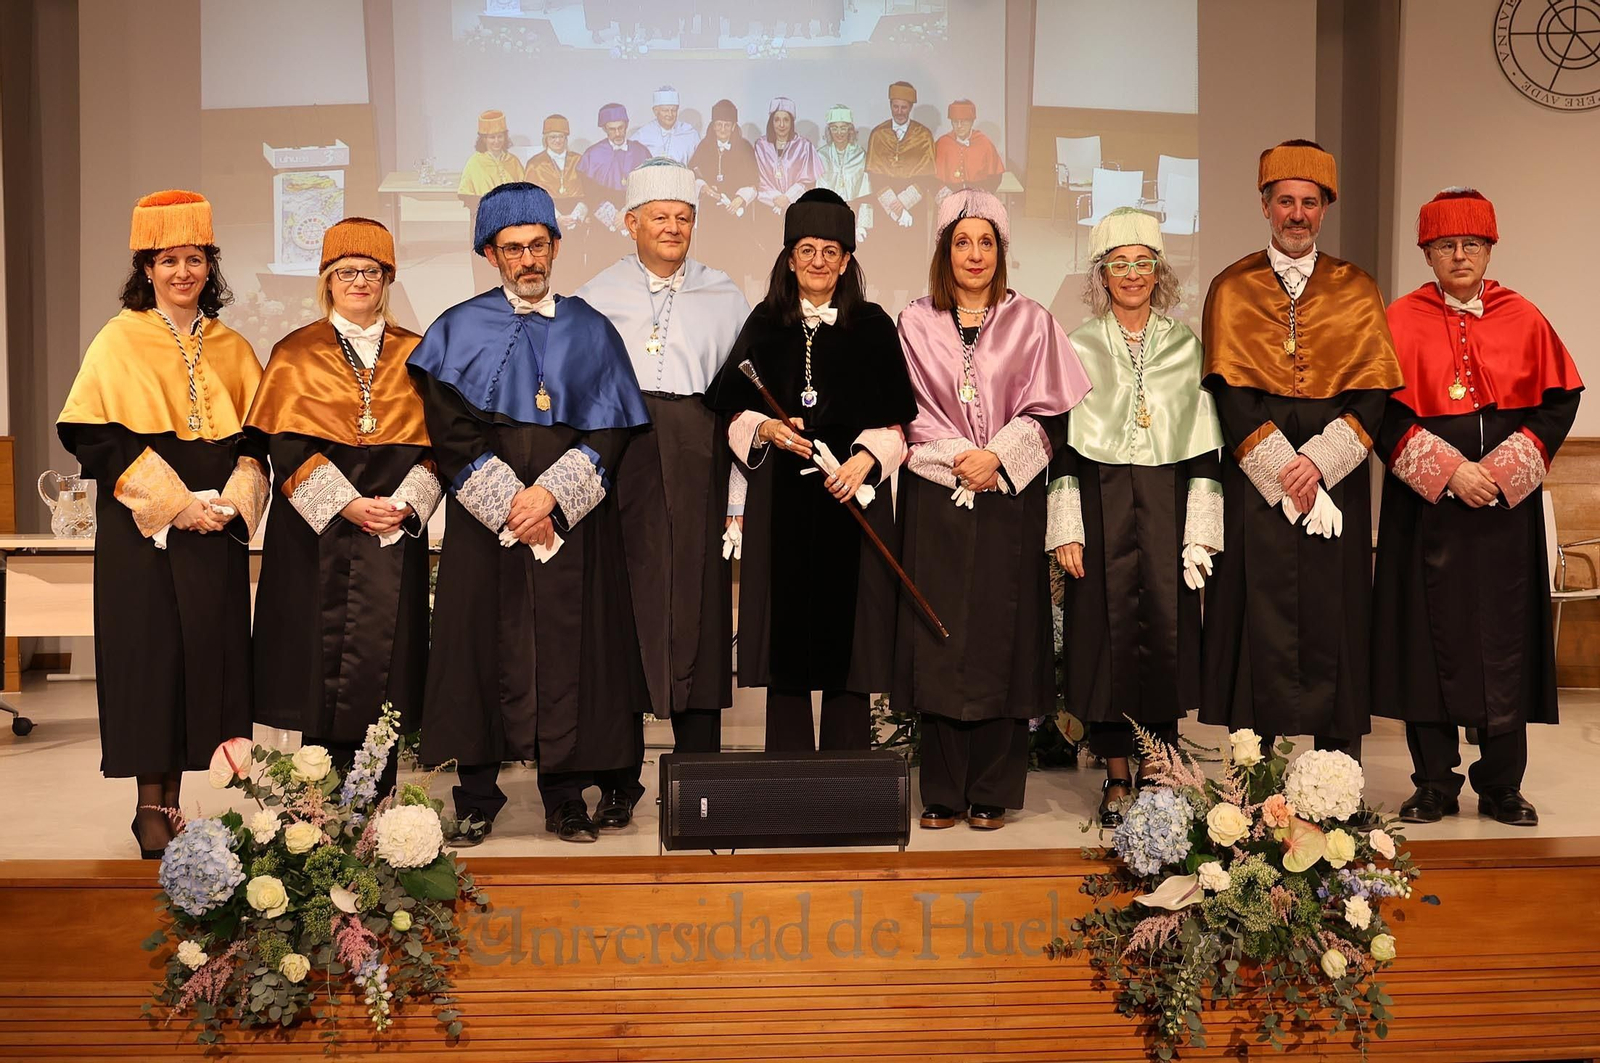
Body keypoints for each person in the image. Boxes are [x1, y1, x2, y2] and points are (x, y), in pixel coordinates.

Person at [408, 182, 651, 845]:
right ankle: (478, 796)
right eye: (512, 248)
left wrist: (553, 498)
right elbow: (451, 435)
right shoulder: (456, 329)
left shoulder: (592, 329)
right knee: (482, 650)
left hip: (571, 522)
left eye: (538, 245)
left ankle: (565, 795)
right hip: (489, 525)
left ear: (555, 246)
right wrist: (515, 506)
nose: (527, 259)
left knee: (574, 654)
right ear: (490, 254)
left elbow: (612, 432)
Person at [57, 190, 268, 857]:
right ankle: (150, 804)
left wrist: (231, 501)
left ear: (212, 264)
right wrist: (174, 502)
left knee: (205, 661)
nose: (184, 271)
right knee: (151, 661)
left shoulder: (234, 346)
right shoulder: (119, 338)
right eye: (169, 259)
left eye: (196, 258)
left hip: (214, 531)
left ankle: (178, 801)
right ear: (146, 267)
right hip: (143, 530)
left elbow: (256, 442)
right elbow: (91, 436)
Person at [1375, 188, 1583, 827]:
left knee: (1505, 643)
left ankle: (1501, 785)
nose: (1459, 256)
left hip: (1502, 510)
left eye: (1471, 245)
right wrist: (1446, 471)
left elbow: (1558, 401)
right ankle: (1434, 782)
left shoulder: (1524, 316)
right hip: (1427, 508)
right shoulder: (1399, 319)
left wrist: (1499, 472)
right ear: (1428, 254)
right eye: (1445, 247)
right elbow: (1378, 410)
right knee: (1423, 643)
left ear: (1489, 248)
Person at [1199, 140, 1402, 758]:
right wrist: (1284, 468)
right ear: (1264, 206)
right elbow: (1230, 394)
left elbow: (1371, 395)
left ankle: (1336, 781)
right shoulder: (1232, 286)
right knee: (1254, 618)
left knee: (1333, 619)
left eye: (1309, 203)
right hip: (1258, 479)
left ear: (1324, 210)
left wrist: (1319, 464)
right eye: (1284, 200)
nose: (1296, 214)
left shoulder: (1357, 287)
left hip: (1333, 484)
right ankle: (1250, 785)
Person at [894, 190, 1090, 830]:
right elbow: (906, 409)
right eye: (961, 241)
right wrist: (958, 457)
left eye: (986, 242)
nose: (973, 254)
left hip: (1008, 498)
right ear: (943, 251)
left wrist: (998, 457)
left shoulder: (1031, 321)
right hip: (938, 496)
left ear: (1000, 252)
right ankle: (943, 789)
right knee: (942, 641)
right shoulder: (914, 322)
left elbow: (1052, 411)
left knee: (1003, 639)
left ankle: (992, 790)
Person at [705, 189, 917, 752]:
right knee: (787, 651)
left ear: (847, 260)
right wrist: (766, 428)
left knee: (851, 653)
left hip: (854, 503)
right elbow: (728, 408)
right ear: (789, 258)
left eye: (830, 250)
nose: (818, 261)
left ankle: (849, 784)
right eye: (807, 250)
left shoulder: (872, 326)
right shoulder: (765, 321)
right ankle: (788, 785)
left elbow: (899, 424)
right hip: (781, 505)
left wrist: (865, 460)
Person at [575, 159, 749, 826]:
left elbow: (739, 399)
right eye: (660, 217)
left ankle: (700, 776)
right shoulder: (594, 294)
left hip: (697, 451)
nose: (673, 227)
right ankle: (619, 781)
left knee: (698, 606)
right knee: (617, 610)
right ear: (631, 223)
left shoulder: (726, 293)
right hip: (621, 452)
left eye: (684, 218)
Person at [246, 219, 441, 799]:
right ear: (327, 282)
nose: (359, 282)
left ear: (387, 280)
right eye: (345, 273)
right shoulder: (295, 351)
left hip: (392, 531)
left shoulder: (418, 352)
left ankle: (379, 804)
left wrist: (405, 504)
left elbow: (440, 445)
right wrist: (346, 505)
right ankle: (316, 805)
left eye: (371, 273)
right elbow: (283, 445)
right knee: (315, 665)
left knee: (387, 672)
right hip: (317, 535)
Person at [1050, 208, 1223, 827]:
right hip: (1098, 501)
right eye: (1118, 263)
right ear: (1102, 272)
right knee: (1103, 634)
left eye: (1141, 262)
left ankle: (1163, 768)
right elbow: (1064, 446)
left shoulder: (1185, 345)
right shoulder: (1077, 344)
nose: (1131, 274)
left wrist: (1203, 529)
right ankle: (1117, 774)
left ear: (1159, 271)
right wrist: (1065, 524)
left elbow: (1205, 445)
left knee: (1165, 634)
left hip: (1166, 501)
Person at [865, 81, 937, 301]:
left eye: (903, 107)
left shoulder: (923, 135)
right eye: (895, 106)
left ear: (910, 107)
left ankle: (913, 293)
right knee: (886, 246)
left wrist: (905, 200)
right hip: (885, 198)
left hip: (913, 200)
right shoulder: (878, 133)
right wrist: (890, 201)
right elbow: (873, 173)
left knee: (911, 249)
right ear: (890, 105)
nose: (899, 112)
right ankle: (886, 289)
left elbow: (927, 175)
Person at [688, 99, 760, 284]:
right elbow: (693, 172)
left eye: (726, 125)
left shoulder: (745, 147)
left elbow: (754, 182)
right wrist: (703, 186)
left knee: (735, 264)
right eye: (718, 125)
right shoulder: (704, 147)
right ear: (712, 126)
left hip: (735, 217)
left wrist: (740, 199)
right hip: (711, 218)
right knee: (711, 262)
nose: (722, 129)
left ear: (734, 126)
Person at [459, 110, 526, 294]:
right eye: (491, 138)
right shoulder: (475, 163)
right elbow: (467, 196)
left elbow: (522, 192)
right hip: (485, 224)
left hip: (510, 224)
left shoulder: (513, 161)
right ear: (484, 140)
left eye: (499, 137)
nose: (496, 141)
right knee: (485, 271)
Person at [578, 103, 652, 256]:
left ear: (626, 125)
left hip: (635, 220)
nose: (618, 133)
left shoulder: (641, 151)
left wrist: (627, 213)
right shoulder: (593, 154)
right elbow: (590, 193)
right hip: (603, 225)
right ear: (605, 129)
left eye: (621, 128)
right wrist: (613, 217)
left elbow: (648, 186)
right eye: (612, 129)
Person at [754, 97, 824, 216]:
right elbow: (757, 177)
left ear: (792, 122)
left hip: (797, 207)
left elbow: (809, 181)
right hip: (766, 207)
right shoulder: (761, 145)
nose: (781, 125)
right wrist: (776, 197)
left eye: (786, 120)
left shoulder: (804, 146)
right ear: (771, 122)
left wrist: (787, 197)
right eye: (777, 120)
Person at [816, 104, 874, 245]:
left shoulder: (860, 154)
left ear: (850, 130)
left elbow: (866, 193)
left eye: (843, 127)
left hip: (854, 215)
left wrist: (862, 225)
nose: (839, 132)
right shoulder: (821, 154)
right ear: (829, 130)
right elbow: (818, 192)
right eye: (834, 128)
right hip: (828, 215)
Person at [934, 100, 1004, 194]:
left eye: (963, 121)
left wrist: (981, 196)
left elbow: (996, 176)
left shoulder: (984, 142)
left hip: (978, 196)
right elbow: (933, 178)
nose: (959, 126)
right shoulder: (942, 143)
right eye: (955, 121)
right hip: (949, 197)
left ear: (972, 121)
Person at [635, 85, 700, 164]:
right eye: (665, 110)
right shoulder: (642, 134)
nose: (670, 114)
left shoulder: (690, 133)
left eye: (674, 110)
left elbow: (699, 162)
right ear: (655, 111)